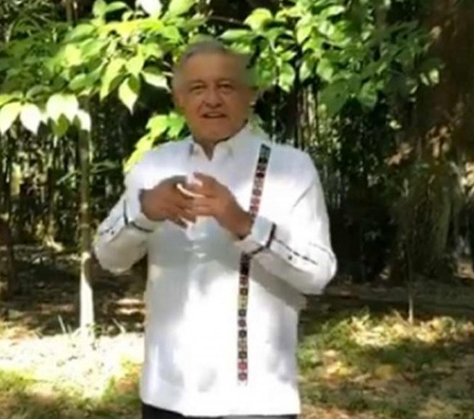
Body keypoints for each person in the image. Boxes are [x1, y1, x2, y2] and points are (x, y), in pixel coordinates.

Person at [93, 38, 337, 419]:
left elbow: (318, 275)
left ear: (250, 94)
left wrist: (243, 223)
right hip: (167, 394)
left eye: (225, 86)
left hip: (256, 400)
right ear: (179, 99)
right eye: (197, 88)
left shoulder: (290, 168)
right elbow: (108, 257)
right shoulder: (154, 165)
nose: (211, 100)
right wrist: (144, 211)